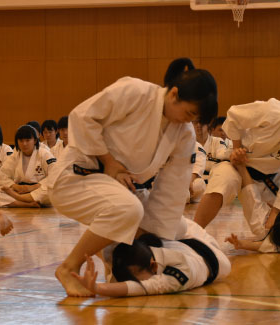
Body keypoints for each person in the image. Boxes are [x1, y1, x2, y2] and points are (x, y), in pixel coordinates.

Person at [46, 65, 218, 297]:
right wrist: (108, 160)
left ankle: (116, 272)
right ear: (174, 94)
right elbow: (82, 117)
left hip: (121, 189)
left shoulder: (184, 133)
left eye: (194, 118)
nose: (187, 122)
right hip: (76, 176)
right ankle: (68, 268)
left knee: (171, 225)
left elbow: (171, 192)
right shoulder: (136, 91)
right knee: (129, 211)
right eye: (188, 113)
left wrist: (149, 242)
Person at [194, 100, 280, 229]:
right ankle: (195, 230)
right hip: (235, 164)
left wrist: (275, 215)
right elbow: (234, 115)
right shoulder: (273, 111)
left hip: (270, 177)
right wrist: (237, 149)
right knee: (221, 184)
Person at [72, 217, 230, 297]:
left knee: (172, 224)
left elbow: (141, 288)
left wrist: (96, 288)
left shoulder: (183, 273)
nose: (129, 281)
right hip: (179, 245)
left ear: (153, 265)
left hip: (206, 248)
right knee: (114, 240)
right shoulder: (139, 255)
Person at [0, 125, 56, 208]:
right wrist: (15, 186)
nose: (24, 144)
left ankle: (19, 199)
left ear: (34, 140)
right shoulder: (15, 155)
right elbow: (3, 175)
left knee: (50, 193)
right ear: (17, 141)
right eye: (21, 140)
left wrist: (31, 188)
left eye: (27, 140)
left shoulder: (44, 154)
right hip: (18, 190)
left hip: (37, 189)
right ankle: (27, 204)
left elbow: (54, 175)